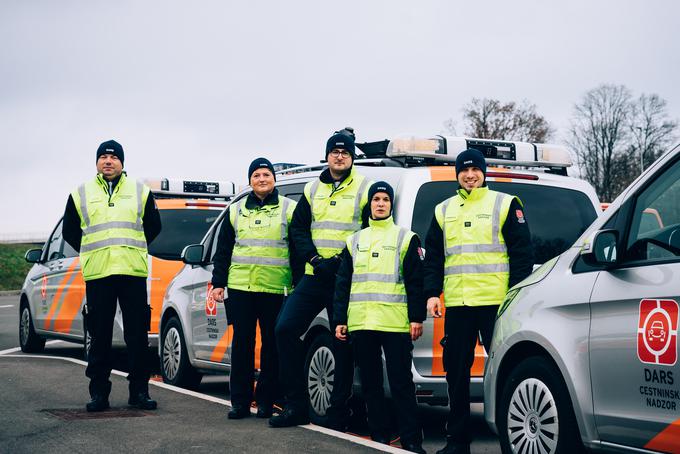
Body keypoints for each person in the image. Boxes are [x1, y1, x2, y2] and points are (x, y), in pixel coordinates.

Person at [424, 149, 533, 454]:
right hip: (458, 305)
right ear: (456, 174)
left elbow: (522, 255)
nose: (469, 175)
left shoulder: (504, 204)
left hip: (497, 306)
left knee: (505, 372)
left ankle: (510, 441)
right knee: (456, 375)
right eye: (464, 170)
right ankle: (458, 442)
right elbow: (433, 259)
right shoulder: (443, 210)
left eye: (475, 169)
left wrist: (515, 295)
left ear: (484, 172)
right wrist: (433, 293)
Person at [269, 132, 372, 428]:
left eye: (345, 152)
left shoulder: (364, 188)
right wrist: (314, 259)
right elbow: (298, 229)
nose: (339, 156)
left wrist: (340, 262)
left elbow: (369, 229)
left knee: (342, 344)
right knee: (284, 329)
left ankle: (338, 412)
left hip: (346, 279)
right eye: (334, 151)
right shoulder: (312, 189)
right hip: (315, 276)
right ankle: (296, 406)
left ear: (352, 157)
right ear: (327, 156)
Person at [62, 139, 162, 412]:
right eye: (103, 157)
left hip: (131, 272)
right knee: (99, 335)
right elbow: (70, 231)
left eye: (113, 157)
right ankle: (99, 394)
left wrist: (133, 249)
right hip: (99, 273)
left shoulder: (140, 191)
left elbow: (153, 227)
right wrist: (91, 253)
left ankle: (139, 392)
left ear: (122, 162)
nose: (108, 161)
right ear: (97, 162)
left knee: (137, 336)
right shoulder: (80, 193)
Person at [334, 181, 427, 454]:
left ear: (391, 204)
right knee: (371, 385)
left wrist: (416, 318)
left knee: (401, 385)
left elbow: (415, 282)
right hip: (362, 323)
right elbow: (343, 284)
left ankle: (411, 441)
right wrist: (340, 319)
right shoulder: (354, 241)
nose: (381, 203)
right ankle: (379, 437)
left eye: (386, 199)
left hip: (395, 323)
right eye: (376, 199)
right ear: (370, 204)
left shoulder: (405, 238)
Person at [210, 158, 296, 420]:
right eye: (257, 175)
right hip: (241, 288)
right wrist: (218, 283)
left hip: (275, 288)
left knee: (272, 347)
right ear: (250, 181)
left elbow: (297, 247)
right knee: (242, 345)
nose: (262, 179)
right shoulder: (235, 211)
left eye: (266, 175)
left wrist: (297, 284)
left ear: (274, 179)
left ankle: (267, 402)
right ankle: (240, 402)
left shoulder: (289, 209)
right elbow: (223, 250)